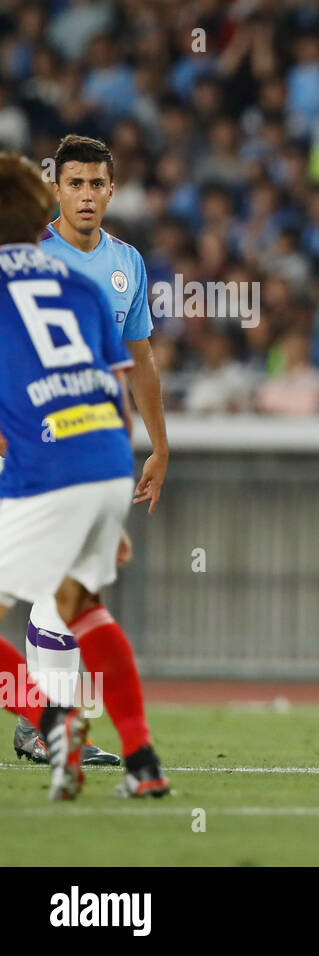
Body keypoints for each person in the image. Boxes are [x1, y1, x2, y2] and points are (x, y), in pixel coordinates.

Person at [0, 151, 168, 799]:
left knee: (56, 602)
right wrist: (106, 506)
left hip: (41, 460)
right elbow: (115, 387)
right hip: (102, 456)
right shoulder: (82, 287)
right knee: (82, 605)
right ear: (44, 209)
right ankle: (144, 761)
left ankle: (50, 719)